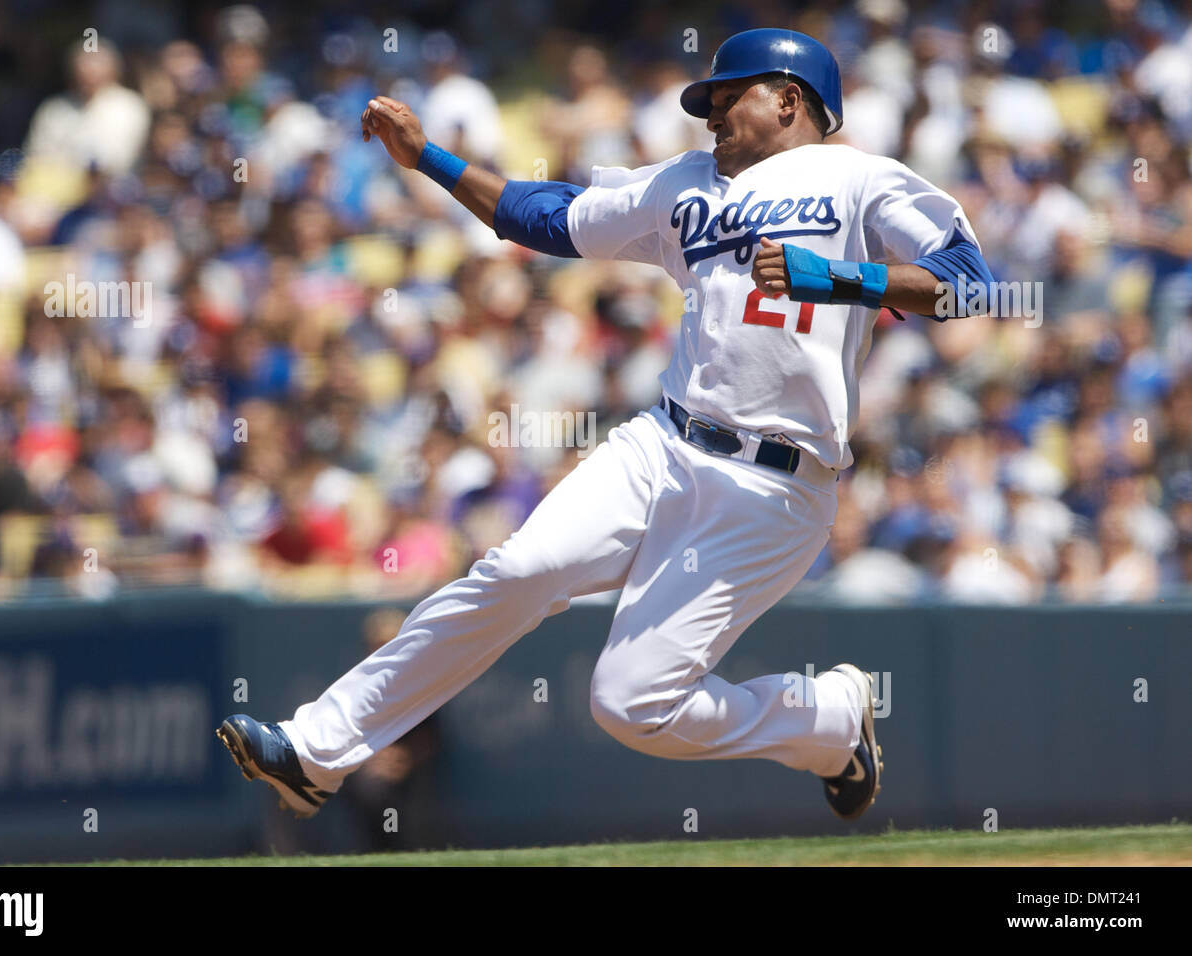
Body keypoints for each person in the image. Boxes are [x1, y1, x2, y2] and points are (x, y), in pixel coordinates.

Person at [218, 28, 994, 825]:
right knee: (519, 569)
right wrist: (431, 161)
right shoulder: (687, 183)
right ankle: (315, 752)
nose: (712, 117)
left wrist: (840, 278)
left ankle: (827, 722)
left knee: (630, 708)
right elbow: (546, 217)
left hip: (774, 484)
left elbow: (972, 287)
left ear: (789, 100)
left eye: (729, 100)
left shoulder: (863, 179)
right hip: (662, 441)